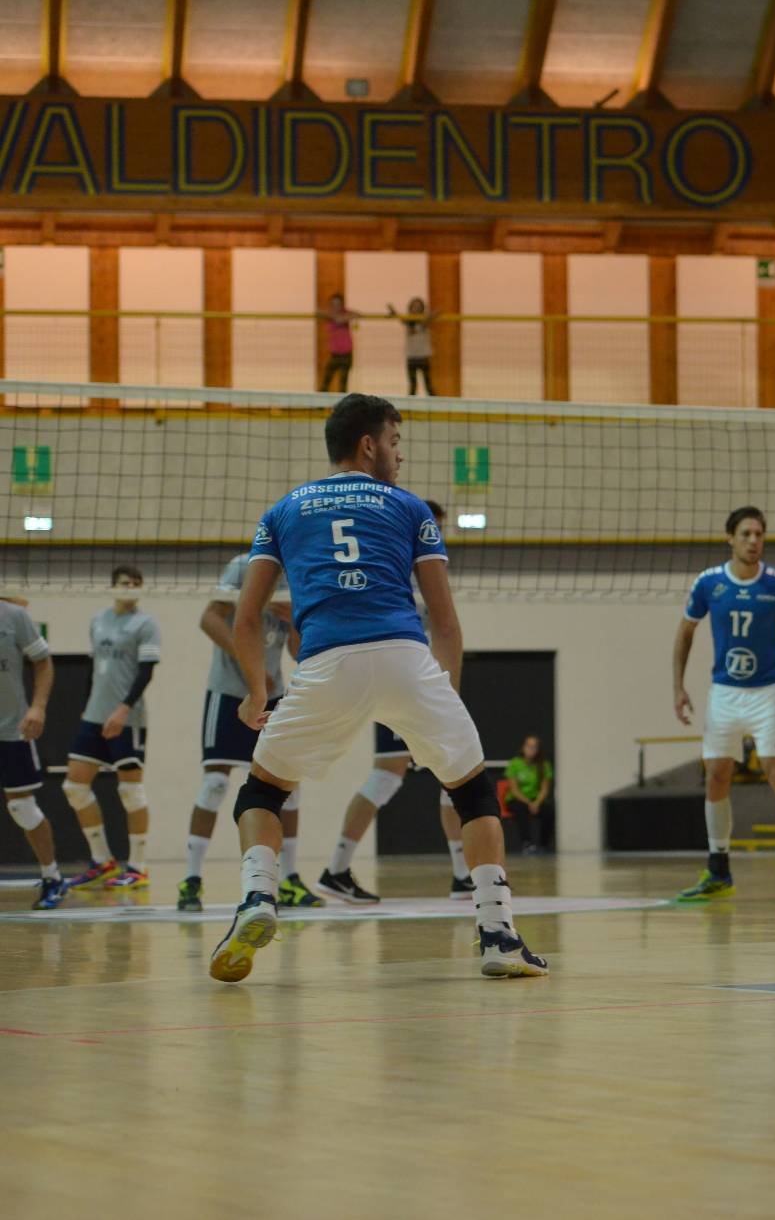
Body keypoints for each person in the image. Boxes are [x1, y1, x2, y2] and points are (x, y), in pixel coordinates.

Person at [209, 393, 545, 982]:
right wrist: (443, 702)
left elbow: (244, 619)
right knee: (473, 794)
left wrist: (258, 691)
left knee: (260, 793)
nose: (399, 454)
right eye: (395, 442)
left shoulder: (283, 510)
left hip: (325, 663)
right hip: (403, 658)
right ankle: (499, 935)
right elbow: (445, 623)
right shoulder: (410, 507)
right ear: (369, 445)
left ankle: (258, 896)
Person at [319, 499, 472, 905]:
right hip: (402, 681)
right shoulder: (393, 566)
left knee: (428, 773)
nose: (435, 535)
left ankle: (462, 875)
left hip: (415, 682)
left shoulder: (424, 572)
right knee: (432, 771)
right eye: (432, 527)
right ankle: (337, 869)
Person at [672, 506, 775, 902]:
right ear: (730, 538)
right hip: (724, 692)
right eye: (746, 534)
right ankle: (718, 870)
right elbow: (685, 633)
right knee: (716, 775)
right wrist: (679, 687)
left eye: (759, 534)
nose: (753, 541)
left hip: (766, 693)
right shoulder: (709, 583)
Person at [180, 555, 321, 913]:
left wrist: (294, 620)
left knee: (290, 786)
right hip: (229, 691)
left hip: (272, 693)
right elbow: (209, 618)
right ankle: (191, 879)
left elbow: (297, 650)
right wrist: (251, 663)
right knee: (215, 784)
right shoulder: (244, 566)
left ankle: (288, 879)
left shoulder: (299, 572)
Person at [59, 566, 162, 891]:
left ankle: (138, 867)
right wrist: (87, 704)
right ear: (113, 586)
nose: (130, 588)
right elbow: (94, 667)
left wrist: (122, 708)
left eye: (136, 584)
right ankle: (102, 861)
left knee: (131, 792)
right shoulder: (98, 620)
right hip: (94, 716)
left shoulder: (145, 624)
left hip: (127, 719)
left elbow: (146, 672)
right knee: (74, 787)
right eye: (125, 583)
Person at [0, 595, 64, 909]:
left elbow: (43, 662)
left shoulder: (13, 616)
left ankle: (52, 877)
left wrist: (38, 707)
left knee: (22, 807)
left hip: (11, 728)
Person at [503, 735, 554, 853]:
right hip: (517, 799)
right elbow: (514, 790)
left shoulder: (544, 765)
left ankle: (544, 844)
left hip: (535, 799)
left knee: (549, 812)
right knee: (521, 809)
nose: (531, 749)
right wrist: (529, 803)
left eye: (534, 746)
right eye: (528, 745)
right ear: (523, 747)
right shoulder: (515, 763)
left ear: (538, 750)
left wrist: (536, 803)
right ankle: (527, 843)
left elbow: (544, 789)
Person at [393, 297, 434, 396]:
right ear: (410, 308)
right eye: (414, 306)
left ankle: (436, 403)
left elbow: (425, 323)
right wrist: (394, 313)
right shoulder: (408, 321)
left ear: (422, 308)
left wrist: (431, 316)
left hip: (423, 357)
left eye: (418, 307)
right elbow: (406, 324)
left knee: (428, 385)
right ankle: (410, 404)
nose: (416, 309)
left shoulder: (424, 320)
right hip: (411, 357)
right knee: (412, 385)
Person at [319, 293, 355, 394]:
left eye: (338, 304)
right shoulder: (329, 315)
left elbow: (356, 314)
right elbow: (318, 311)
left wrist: (343, 317)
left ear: (342, 305)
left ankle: (343, 403)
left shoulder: (345, 313)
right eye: (333, 304)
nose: (336, 306)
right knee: (326, 380)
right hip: (334, 354)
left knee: (343, 383)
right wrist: (335, 316)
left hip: (347, 354)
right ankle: (320, 402)